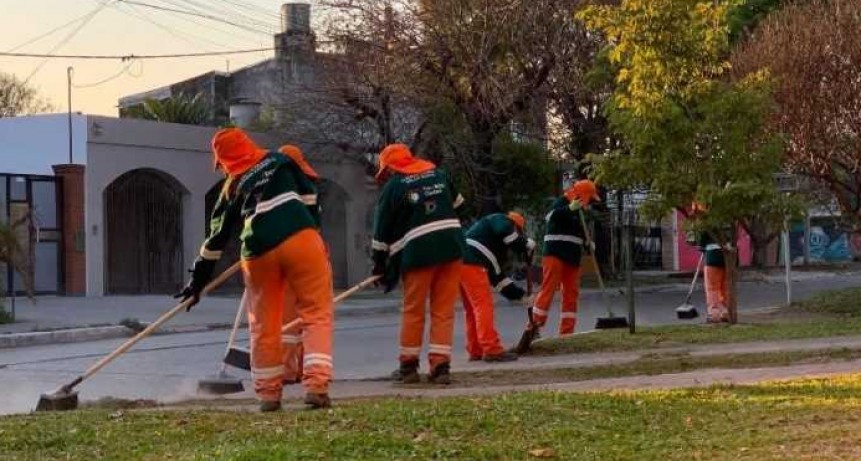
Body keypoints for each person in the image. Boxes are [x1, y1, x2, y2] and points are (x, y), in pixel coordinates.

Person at [176, 128, 334, 412]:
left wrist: (197, 282)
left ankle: (268, 395)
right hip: (302, 241)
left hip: (257, 253)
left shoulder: (233, 184)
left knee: (263, 325)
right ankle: (316, 387)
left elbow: (216, 239)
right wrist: (310, 233)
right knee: (316, 314)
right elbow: (310, 198)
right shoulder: (280, 161)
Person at [371, 143, 465, 385]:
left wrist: (379, 263)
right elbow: (458, 205)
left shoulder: (394, 187)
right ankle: (441, 367)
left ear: (390, 168)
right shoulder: (439, 175)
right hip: (452, 247)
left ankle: (409, 367)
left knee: (413, 310)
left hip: (418, 253)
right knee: (443, 311)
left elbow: (381, 230)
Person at [276, 144, 323, 386]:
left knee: (287, 318)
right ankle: (305, 369)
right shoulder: (309, 187)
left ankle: (286, 370)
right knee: (308, 315)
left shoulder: (274, 189)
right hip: (310, 256)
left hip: (285, 257)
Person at [529, 179, 600, 337]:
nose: (590, 203)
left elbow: (580, 232)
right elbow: (550, 217)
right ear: (584, 195)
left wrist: (588, 243)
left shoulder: (581, 213)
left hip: (572, 257)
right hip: (555, 254)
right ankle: (533, 328)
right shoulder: (561, 202)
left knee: (571, 294)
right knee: (548, 290)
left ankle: (567, 333)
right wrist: (569, 208)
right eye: (590, 199)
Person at [460, 211, 535, 362]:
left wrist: (521, 296)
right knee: (483, 306)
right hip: (473, 263)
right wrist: (525, 243)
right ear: (515, 227)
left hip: (459, 262)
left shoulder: (491, 245)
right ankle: (491, 349)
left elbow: (499, 279)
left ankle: (476, 350)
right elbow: (506, 231)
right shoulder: (501, 220)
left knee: (472, 310)